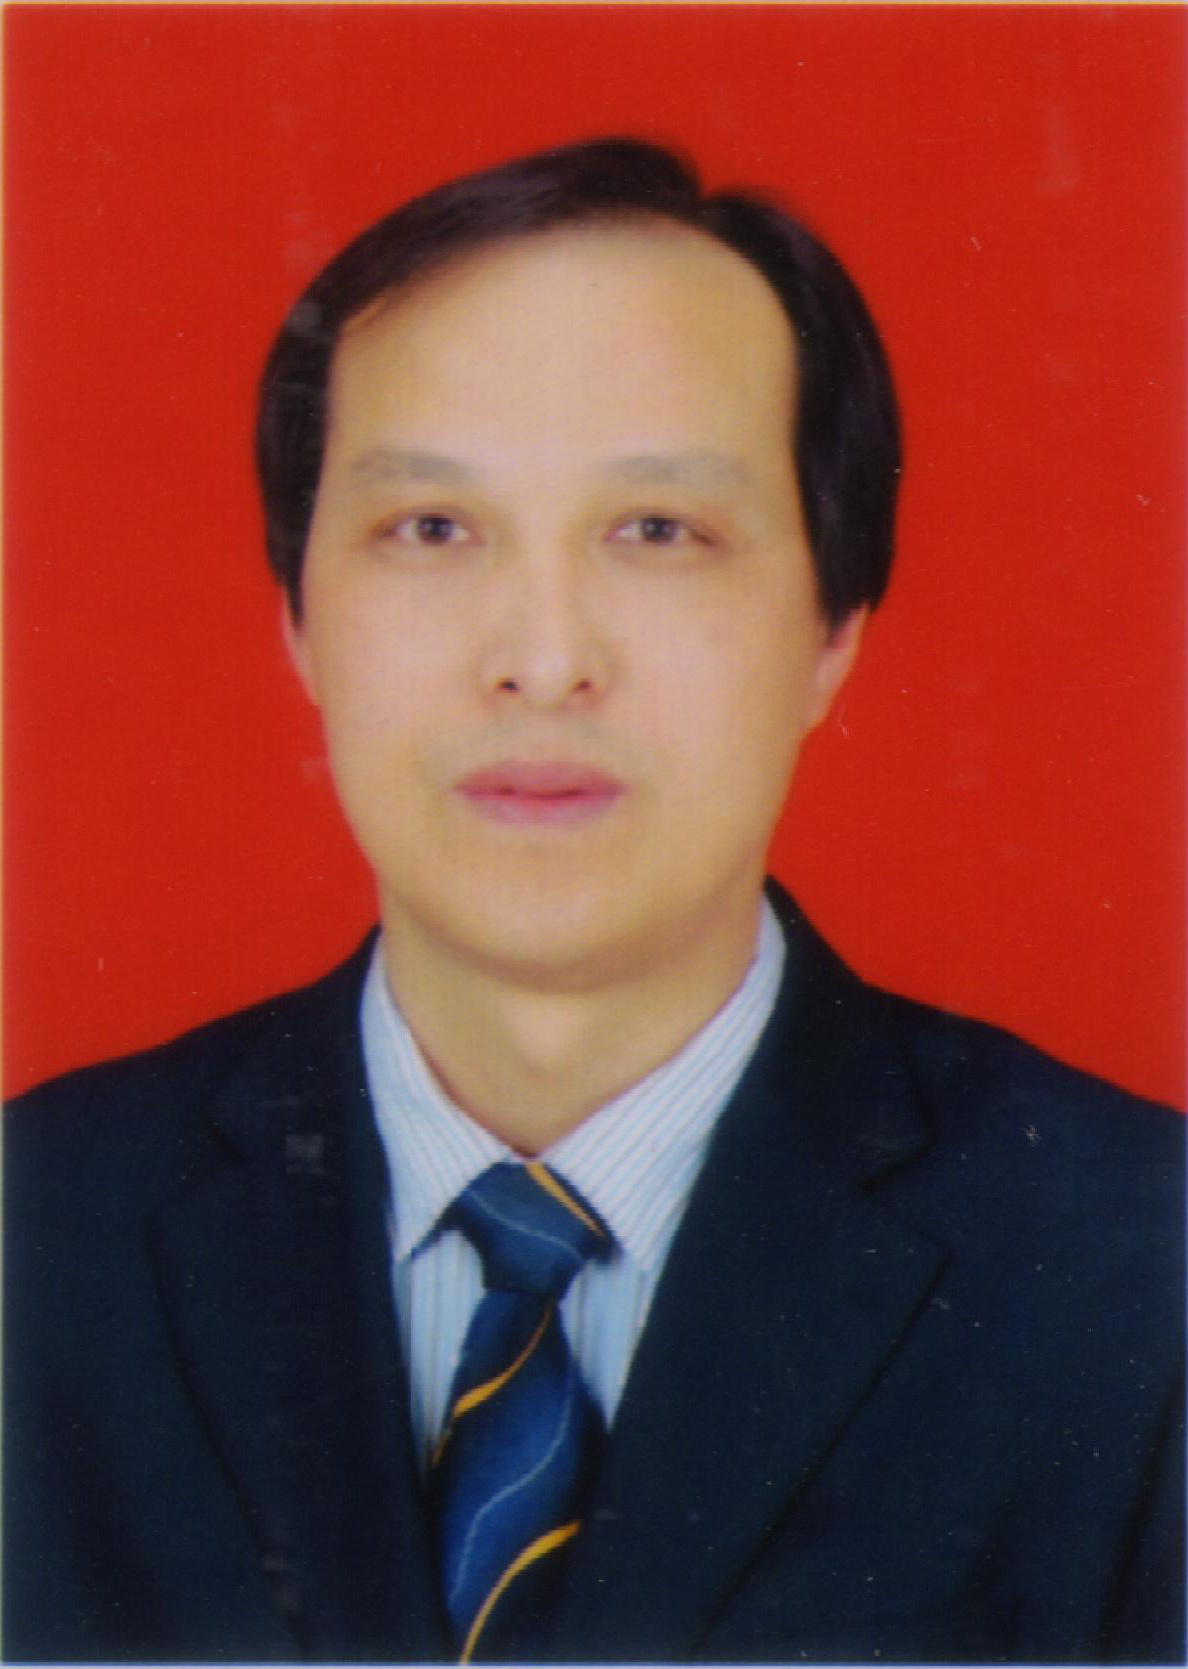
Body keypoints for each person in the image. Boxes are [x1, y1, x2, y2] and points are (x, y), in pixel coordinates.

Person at [4, 138, 1183, 1666]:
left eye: (658, 532)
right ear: (299, 617)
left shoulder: (1138, 1276)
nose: (545, 661)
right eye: (432, 529)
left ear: (832, 627)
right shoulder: (36, 1238)